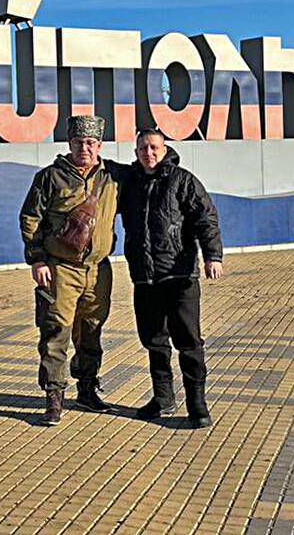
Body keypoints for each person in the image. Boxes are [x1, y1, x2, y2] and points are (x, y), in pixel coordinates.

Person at [19, 115, 121, 426]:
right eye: (78, 143)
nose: (84, 149)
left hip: (98, 270)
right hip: (60, 269)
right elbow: (30, 219)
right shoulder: (50, 177)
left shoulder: (112, 177)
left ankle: (87, 389)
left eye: (90, 143)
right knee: (56, 331)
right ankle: (54, 397)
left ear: (99, 145)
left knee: (91, 330)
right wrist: (37, 260)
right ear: (69, 144)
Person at [119, 128, 223, 427]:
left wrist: (213, 255)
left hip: (179, 275)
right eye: (143, 148)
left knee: (189, 342)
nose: (148, 153)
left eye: (153, 147)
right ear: (136, 152)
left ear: (164, 150)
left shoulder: (183, 180)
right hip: (144, 277)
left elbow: (205, 218)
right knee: (154, 341)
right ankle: (163, 397)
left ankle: (197, 405)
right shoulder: (130, 184)